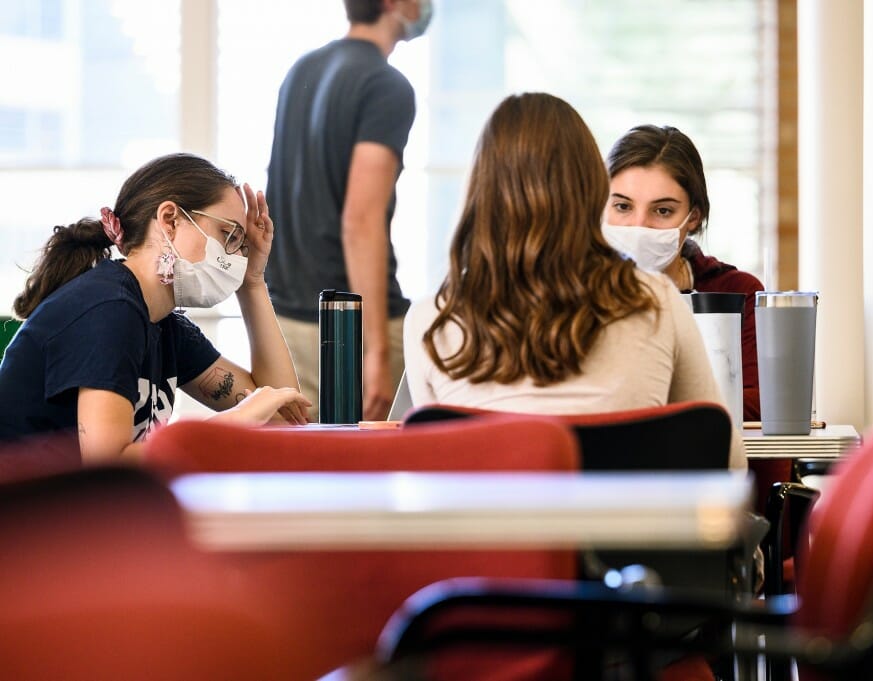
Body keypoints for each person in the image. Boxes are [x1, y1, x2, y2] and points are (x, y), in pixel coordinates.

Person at [403, 93, 745, 470]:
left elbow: (431, 469)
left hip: (487, 528)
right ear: (594, 190)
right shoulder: (656, 302)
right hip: (627, 527)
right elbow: (726, 462)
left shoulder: (429, 319)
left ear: (478, 192)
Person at [0, 153, 311, 461]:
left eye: (240, 246)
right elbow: (109, 464)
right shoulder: (108, 309)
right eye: (228, 235)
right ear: (170, 220)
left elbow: (282, 415)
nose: (236, 257)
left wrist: (252, 281)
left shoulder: (165, 325)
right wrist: (236, 420)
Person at [265, 0, 432, 421]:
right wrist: (375, 351)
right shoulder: (385, 86)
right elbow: (361, 220)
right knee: (366, 475)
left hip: (287, 318)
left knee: (308, 469)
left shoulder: (301, 70)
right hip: (345, 327)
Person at [603, 124, 766, 421]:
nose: (639, 225)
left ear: (693, 217)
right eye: (623, 206)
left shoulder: (737, 291)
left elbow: (762, 404)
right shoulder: (575, 291)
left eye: (662, 211)